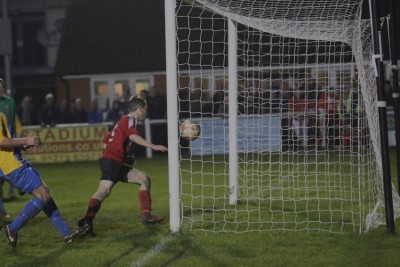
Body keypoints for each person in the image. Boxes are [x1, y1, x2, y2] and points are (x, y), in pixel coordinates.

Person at [78, 97, 168, 234]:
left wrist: (124, 156)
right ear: (141, 109)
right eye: (146, 109)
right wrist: (152, 146)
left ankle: (147, 216)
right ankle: (86, 222)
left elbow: (106, 140)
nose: (146, 112)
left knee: (144, 179)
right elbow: (132, 137)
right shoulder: (129, 119)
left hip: (116, 161)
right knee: (104, 191)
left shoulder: (124, 121)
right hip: (111, 161)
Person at [0, 112, 90, 248]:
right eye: (1, 88)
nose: (2, 89)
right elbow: (1, 141)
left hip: (11, 163)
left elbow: (6, 141)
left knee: (45, 193)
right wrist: (25, 141)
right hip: (11, 165)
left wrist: (24, 146)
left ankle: (66, 231)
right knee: (43, 195)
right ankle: (12, 229)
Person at [0, 78, 17, 217]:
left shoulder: (10, 102)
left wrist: (17, 145)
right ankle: (1, 209)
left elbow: (13, 126)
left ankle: (13, 192)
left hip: (8, 146)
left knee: (12, 174)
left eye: (1, 86)